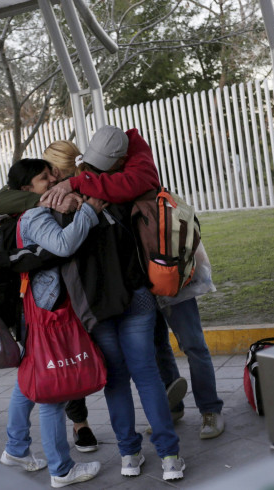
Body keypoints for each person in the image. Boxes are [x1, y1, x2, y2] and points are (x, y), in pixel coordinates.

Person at [42, 125, 225, 440]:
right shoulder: (93, 178)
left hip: (170, 271)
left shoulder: (137, 163)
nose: (98, 173)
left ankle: (210, 409)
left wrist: (80, 184)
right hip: (139, 282)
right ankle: (173, 406)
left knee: (192, 343)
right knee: (157, 347)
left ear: (119, 158)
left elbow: (129, 185)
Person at [0, 158, 104, 488]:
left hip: (33, 305)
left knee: (30, 379)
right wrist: (90, 212)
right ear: (27, 188)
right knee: (52, 393)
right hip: (48, 309)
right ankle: (61, 470)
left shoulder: (16, 215)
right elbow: (62, 244)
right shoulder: (34, 213)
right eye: (44, 179)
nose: (51, 183)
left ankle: (16, 448)